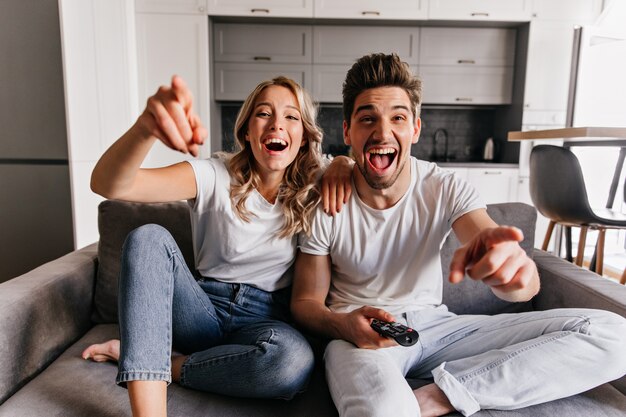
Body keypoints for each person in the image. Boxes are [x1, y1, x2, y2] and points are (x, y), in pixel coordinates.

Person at [291, 53, 626, 417]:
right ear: (347, 132)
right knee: (384, 410)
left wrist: (513, 271)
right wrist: (343, 325)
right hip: (364, 335)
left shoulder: (443, 187)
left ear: (415, 129)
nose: (383, 132)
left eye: (398, 118)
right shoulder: (327, 198)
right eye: (367, 118)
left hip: (438, 328)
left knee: (614, 335)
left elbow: (510, 269)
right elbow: (305, 303)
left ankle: (445, 394)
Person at [82, 75, 352, 417]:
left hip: (266, 321)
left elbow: (361, 174)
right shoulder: (213, 174)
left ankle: (166, 364)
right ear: (246, 132)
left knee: (292, 363)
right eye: (263, 113)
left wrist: (343, 162)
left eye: (291, 117)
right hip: (199, 312)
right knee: (147, 237)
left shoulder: (316, 183)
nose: (276, 124)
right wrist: (145, 128)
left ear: (303, 138)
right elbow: (109, 184)